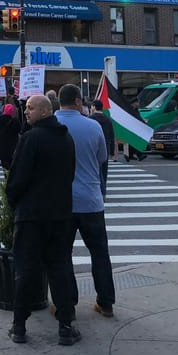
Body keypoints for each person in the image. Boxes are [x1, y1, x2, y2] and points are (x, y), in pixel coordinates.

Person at [5, 94, 80, 346]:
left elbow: (17, 179)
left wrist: (15, 203)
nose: (26, 112)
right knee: (59, 269)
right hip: (59, 215)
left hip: (31, 216)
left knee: (25, 270)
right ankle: (66, 326)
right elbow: (69, 175)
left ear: (46, 111)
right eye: (26, 108)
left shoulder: (30, 138)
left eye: (30, 108)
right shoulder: (66, 138)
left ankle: (19, 326)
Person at [56, 83, 116, 320]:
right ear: (78, 101)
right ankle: (106, 302)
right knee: (99, 253)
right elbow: (102, 158)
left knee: (62, 255)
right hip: (91, 200)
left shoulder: (52, 126)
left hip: (62, 202)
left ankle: (66, 303)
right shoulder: (93, 126)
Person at [90, 99, 115, 199]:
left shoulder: (91, 119)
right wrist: (112, 149)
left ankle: (99, 190)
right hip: (106, 144)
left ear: (94, 107)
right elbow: (112, 134)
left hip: (95, 145)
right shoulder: (107, 119)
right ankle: (104, 191)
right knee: (104, 169)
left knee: (96, 169)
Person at [0, 103, 21, 170]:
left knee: (4, 160)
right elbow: (19, 130)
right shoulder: (15, 121)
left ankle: (7, 176)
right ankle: (11, 174)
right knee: (11, 159)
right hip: (13, 144)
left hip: (1, 143)